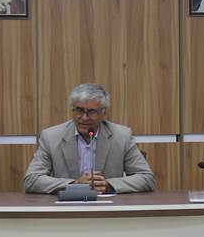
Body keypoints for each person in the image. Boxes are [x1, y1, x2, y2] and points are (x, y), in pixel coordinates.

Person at [24, 83, 155, 194]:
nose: (84, 117)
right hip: (66, 207)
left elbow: (146, 178)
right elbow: (31, 180)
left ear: (104, 113)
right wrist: (74, 184)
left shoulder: (122, 136)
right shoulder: (51, 137)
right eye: (79, 110)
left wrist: (109, 185)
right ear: (72, 110)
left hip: (107, 208)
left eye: (91, 112)